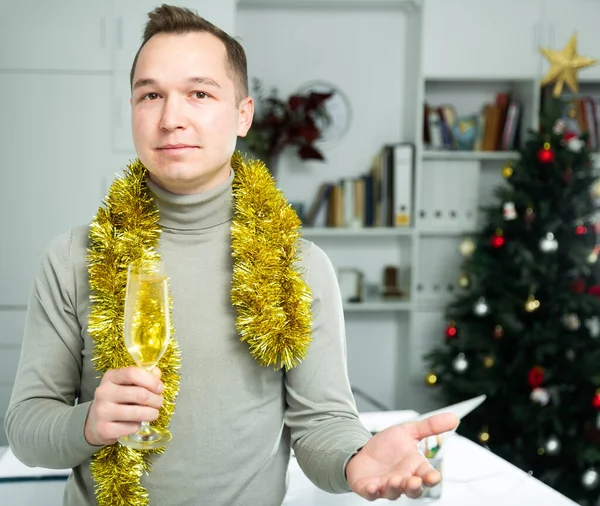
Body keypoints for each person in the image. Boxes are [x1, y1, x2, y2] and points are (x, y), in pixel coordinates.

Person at [4, 4, 458, 505]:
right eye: (150, 95)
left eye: (199, 94)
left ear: (243, 116)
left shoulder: (298, 266)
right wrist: (87, 423)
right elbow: (26, 429)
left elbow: (321, 425)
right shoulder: (72, 258)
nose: (170, 119)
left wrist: (356, 459)